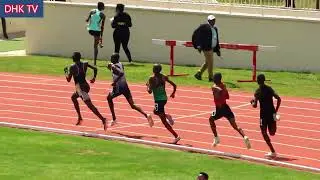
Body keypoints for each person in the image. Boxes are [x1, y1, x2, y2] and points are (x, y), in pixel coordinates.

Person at [107, 53, 154, 127]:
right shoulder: (120, 64)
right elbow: (118, 71)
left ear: (115, 59)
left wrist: (114, 82)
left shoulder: (113, 66)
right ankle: (146, 115)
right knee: (132, 105)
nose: (110, 59)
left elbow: (121, 73)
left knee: (109, 98)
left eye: (112, 58)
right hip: (125, 86)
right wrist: (111, 68)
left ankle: (114, 119)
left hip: (119, 88)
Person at [64, 52, 107, 131]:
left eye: (72, 57)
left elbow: (68, 80)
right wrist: (94, 78)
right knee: (73, 97)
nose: (72, 58)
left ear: (74, 58)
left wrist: (66, 72)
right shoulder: (85, 64)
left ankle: (103, 119)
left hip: (80, 88)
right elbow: (95, 68)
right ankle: (80, 117)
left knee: (90, 105)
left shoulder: (72, 67)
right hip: (86, 86)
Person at [209, 73, 251, 149]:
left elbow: (216, 88)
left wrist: (220, 91)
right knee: (235, 125)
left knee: (211, 119)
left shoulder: (214, 87)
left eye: (214, 78)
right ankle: (244, 136)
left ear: (217, 79)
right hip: (226, 108)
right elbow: (228, 97)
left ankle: (216, 138)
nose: (213, 80)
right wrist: (223, 91)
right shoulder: (223, 86)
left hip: (219, 109)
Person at [146, 64, 181, 144]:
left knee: (164, 122)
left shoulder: (151, 78)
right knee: (155, 111)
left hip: (158, 100)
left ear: (153, 70)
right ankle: (167, 115)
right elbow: (174, 85)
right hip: (164, 99)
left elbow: (149, 91)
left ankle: (176, 136)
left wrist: (147, 86)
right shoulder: (164, 77)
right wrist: (173, 93)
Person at [251, 74, 281, 158]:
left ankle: (272, 151)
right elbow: (279, 99)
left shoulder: (257, 92)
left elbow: (255, 105)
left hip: (264, 115)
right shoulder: (269, 89)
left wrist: (252, 102)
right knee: (271, 133)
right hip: (271, 113)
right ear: (264, 80)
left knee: (265, 133)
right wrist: (276, 110)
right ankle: (273, 151)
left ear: (258, 81)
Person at [192, 15, 221, 82]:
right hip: (206, 48)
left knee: (207, 62)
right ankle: (211, 77)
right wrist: (198, 45)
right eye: (211, 20)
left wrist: (217, 49)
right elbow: (196, 35)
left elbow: (216, 39)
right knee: (210, 62)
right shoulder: (204, 27)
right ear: (208, 21)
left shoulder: (215, 28)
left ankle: (198, 73)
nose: (213, 21)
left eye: (214, 20)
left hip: (212, 48)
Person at [86, 2, 106, 66]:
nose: (104, 7)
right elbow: (102, 27)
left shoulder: (92, 11)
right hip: (97, 31)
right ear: (101, 7)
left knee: (96, 38)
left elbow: (87, 19)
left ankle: (99, 41)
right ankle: (95, 62)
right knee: (95, 46)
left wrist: (89, 21)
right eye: (103, 6)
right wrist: (101, 36)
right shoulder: (103, 15)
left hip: (90, 30)